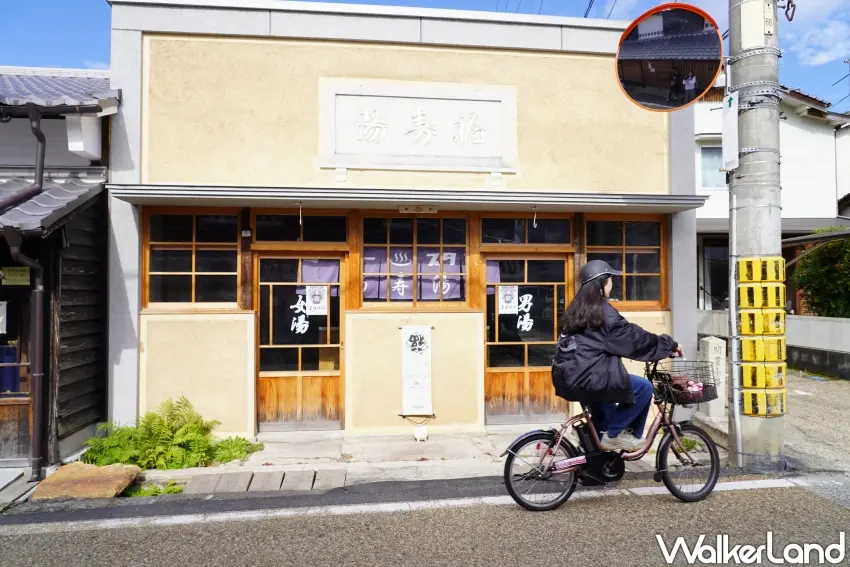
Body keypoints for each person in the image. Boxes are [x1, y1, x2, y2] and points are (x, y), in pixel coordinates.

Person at [552, 260, 683, 451]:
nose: (612, 284)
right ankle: (614, 437)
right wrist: (668, 344)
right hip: (587, 377)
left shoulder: (577, 309)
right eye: (610, 280)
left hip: (568, 376)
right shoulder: (602, 313)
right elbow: (634, 339)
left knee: (606, 406)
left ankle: (597, 458)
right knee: (644, 388)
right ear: (602, 283)